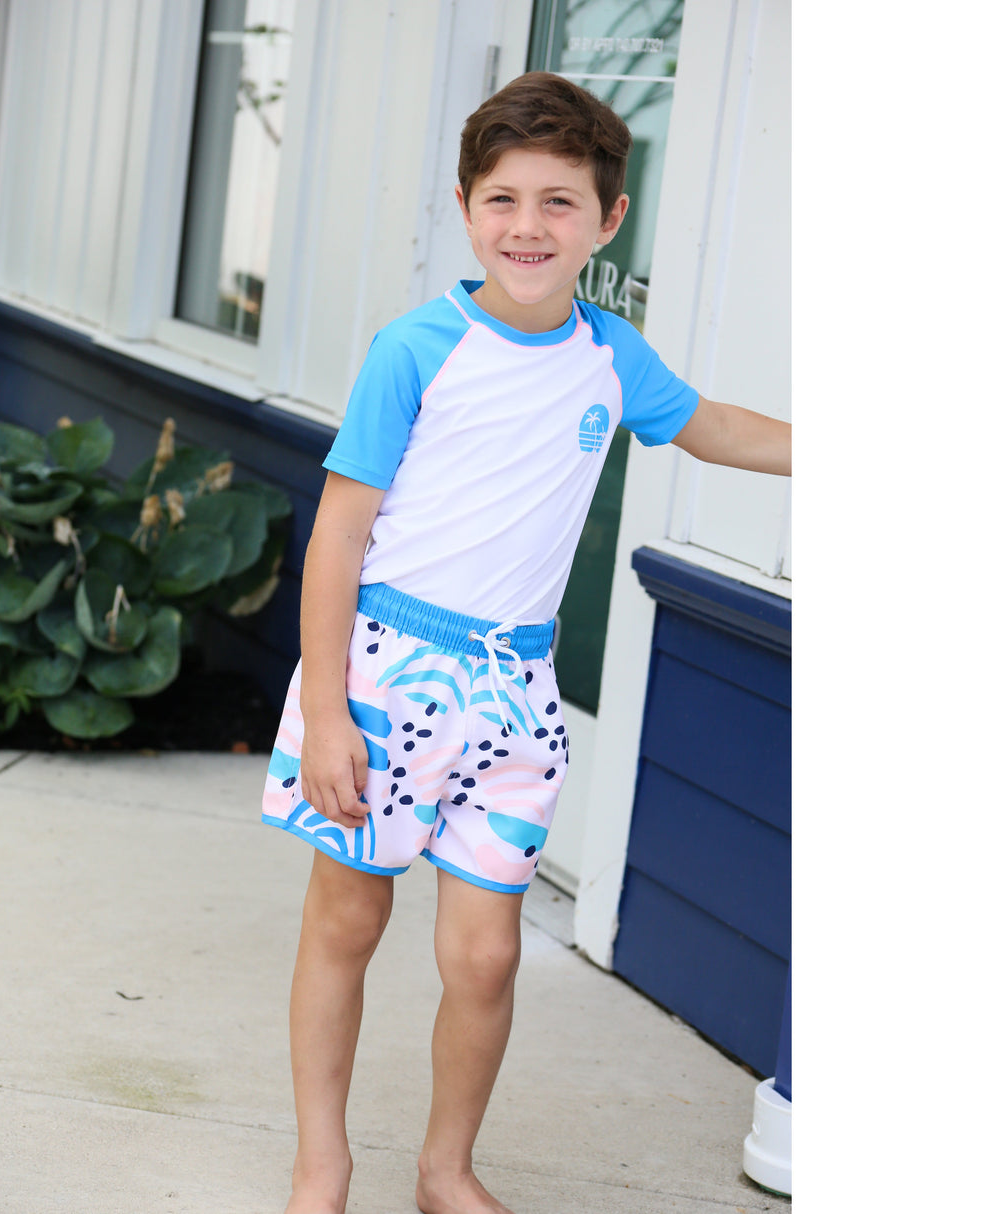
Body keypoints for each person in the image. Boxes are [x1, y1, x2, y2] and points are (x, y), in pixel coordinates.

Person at [260, 71, 791, 1214]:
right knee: (346, 919)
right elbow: (338, 535)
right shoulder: (416, 347)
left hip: (514, 692)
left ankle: (444, 1170)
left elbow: (711, 427)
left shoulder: (610, 355)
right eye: (501, 199)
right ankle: (320, 1165)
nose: (527, 225)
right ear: (464, 208)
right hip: (381, 676)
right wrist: (328, 710)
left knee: (486, 955)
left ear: (607, 219)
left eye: (559, 201)